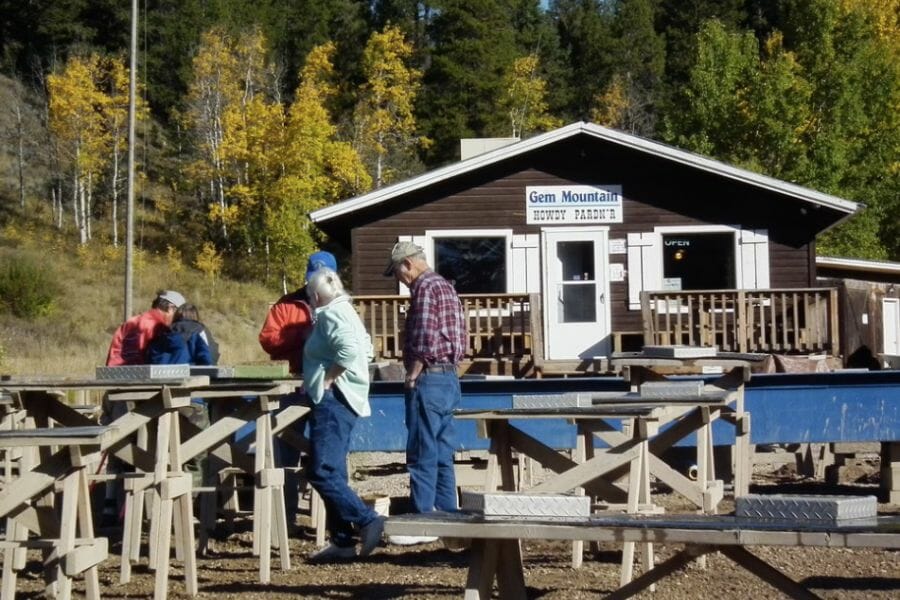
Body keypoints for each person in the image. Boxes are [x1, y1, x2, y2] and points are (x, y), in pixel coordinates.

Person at [383, 241, 466, 545]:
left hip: (428, 379)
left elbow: (425, 336)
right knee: (443, 451)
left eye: (396, 272)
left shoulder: (424, 289)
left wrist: (412, 375)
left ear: (407, 264)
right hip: (449, 377)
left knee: (421, 451)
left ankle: (421, 521)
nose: (399, 280)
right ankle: (449, 519)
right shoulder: (446, 286)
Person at [302, 267, 384, 561]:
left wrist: (327, 380)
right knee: (334, 469)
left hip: (334, 400)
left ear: (314, 296)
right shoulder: (346, 310)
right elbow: (367, 349)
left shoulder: (329, 315)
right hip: (348, 398)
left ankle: (366, 520)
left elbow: (349, 351)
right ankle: (342, 541)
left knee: (321, 470)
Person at [258, 250, 338, 529]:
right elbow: (268, 339)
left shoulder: (341, 306)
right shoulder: (286, 304)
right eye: (311, 279)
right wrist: (299, 336)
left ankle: (335, 520)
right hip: (294, 382)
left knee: (330, 453)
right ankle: (285, 518)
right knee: (285, 449)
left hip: (330, 385)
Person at [106, 290, 186, 365]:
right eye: (178, 314)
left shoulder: (132, 321)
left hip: (114, 372)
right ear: (170, 308)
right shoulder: (157, 326)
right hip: (138, 375)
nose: (178, 319)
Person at [149, 303, 219, 366]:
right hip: (191, 375)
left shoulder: (165, 331)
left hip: (162, 376)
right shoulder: (199, 330)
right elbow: (209, 356)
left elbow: (154, 355)